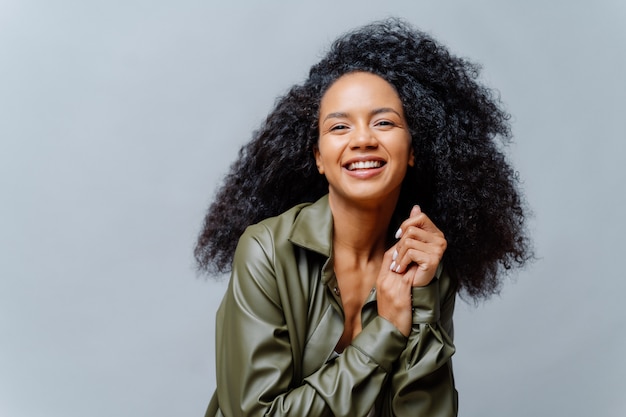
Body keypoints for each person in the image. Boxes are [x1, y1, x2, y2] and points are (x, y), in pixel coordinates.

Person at [195, 18, 532, 417]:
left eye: (384, 122)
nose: (363, 139)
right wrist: (385, 333)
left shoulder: (425, 263)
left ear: (413, 148)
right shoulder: (267, 250)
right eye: (339, 126)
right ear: (319, 158)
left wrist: (422, 301)